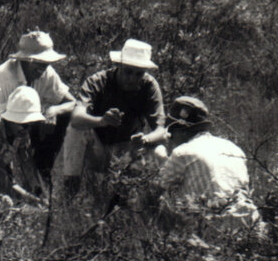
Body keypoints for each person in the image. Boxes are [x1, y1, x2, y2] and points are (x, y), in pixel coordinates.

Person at [61, 39, 168, 203]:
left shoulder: (149, 86)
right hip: (98, 150)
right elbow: (76, 118)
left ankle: (153, 203)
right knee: (76, 130)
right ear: (119, 66)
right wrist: (101, 121)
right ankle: (70, 191)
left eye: (138, 73)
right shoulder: (98, 81)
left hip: (128, 151)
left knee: (160, 151)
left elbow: (161, 131)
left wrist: (145, 139)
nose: (132, 78)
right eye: (128, 71)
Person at [0, 30, 77, 177]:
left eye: (46, 63)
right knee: (2, 177)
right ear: (26, 59)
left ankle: (43, 172)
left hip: (18, 124)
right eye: (38, 63)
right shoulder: (6, 77)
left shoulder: (46, 72)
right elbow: (0, 124)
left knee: (63, 117)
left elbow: (73, 103)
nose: (43, 68)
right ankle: (17, 177)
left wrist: (55, 110)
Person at [154, 96, 264, 238]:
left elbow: (158, 188)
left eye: (171, 132)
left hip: (214, 230)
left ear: (182, 130)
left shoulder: (182, 153)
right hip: (251, 224)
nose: (170, 137)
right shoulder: (233, 148)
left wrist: (161, 158)